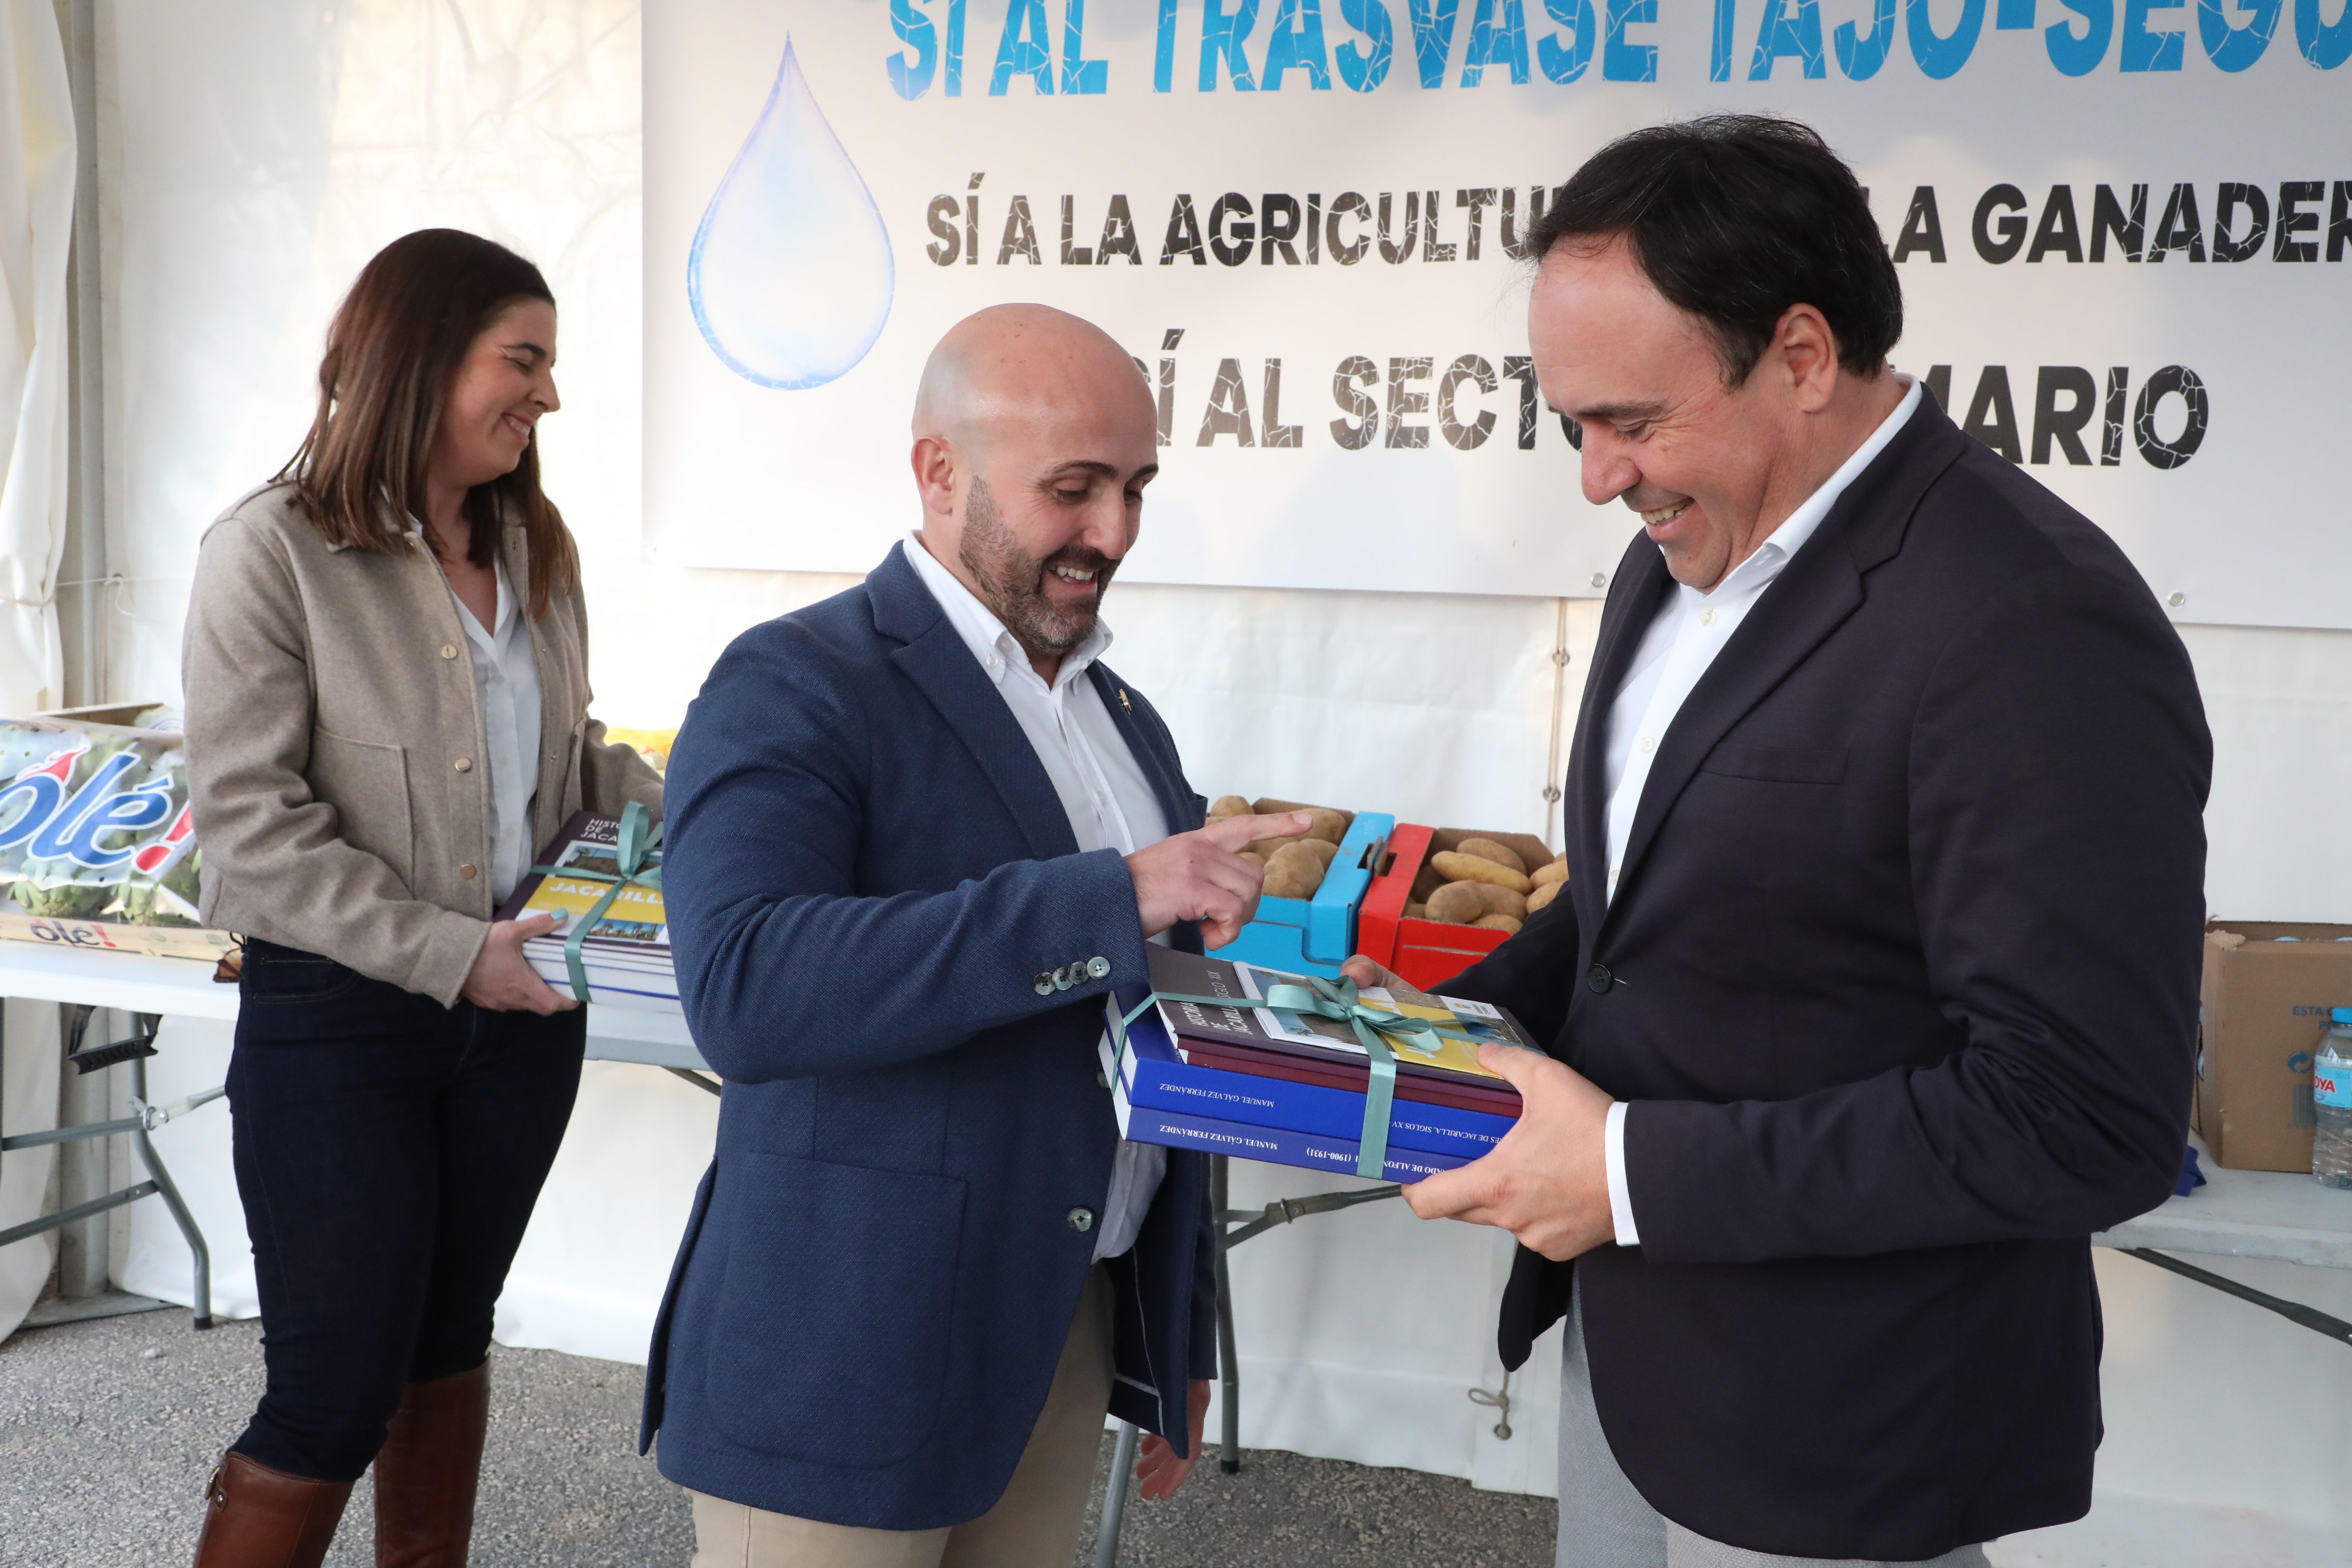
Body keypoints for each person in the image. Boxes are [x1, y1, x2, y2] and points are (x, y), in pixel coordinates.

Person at [1346, 117, 2210, 1567]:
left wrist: (1627, 1174)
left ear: (1802, 356)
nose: (1597, 478)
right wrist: (1445, 1019)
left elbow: (2084, 1116)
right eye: (1572, 427)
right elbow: (1639, 915)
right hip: (1634, 1369)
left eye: (1632, 421)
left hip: (1841, 1435)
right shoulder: (1678, 552)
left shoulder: (2031, 620)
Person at [643, 303, 1301, 1567]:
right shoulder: (796, 680)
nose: (1115, 532)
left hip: (1061, 1330)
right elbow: (747, 988)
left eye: (1136, 488)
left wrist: (1174, 1323)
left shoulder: (1125, 720)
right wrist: (1107, 897)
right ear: (940, 471)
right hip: (845, 1356)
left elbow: (1153, 1034)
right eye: (1074, 488)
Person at [181, 228, 664, 1568]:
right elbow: (250, 833)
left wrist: (735, 797)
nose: (549, 394)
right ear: (422, 356)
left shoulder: (536, 546)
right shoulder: (268, 552)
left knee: (448, 1344)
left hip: (522, 1024)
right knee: (333, 1390)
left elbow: (571, 764)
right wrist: (455, 956)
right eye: (525, 359)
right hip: (340, 1024)